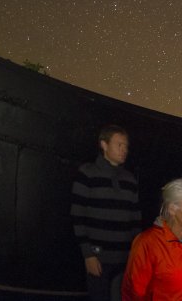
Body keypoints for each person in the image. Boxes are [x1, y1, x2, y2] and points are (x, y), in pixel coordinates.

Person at [71, 124, 141, 301]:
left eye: (126, 146)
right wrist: (88, 255)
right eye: (119, 145)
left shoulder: (130, 179)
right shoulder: (87, 174)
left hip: (124, 260)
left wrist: (136, 255)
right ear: (104, 145)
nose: (124, 150)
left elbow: (135, 220)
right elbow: (77, 216)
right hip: (98, 259)